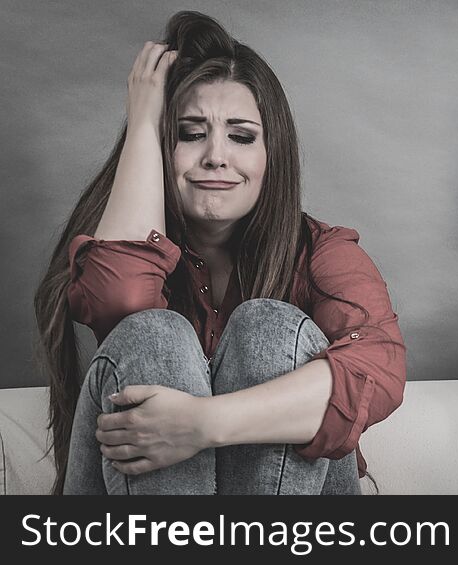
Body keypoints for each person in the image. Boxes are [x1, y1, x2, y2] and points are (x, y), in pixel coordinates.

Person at [33, 11, 405, 495]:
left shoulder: (320, 252)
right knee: (152, 333)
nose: (215, 155)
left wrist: (202, 423)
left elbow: (377, 373)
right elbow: (119, 298)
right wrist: (145, 124)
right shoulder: (122, 235)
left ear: (273, 155)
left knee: (269, 327)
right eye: (189, 133)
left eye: (241, 136)